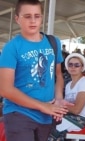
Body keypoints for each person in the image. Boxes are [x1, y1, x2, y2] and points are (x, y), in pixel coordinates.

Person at [0, 0, 72, 141]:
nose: (33, 21)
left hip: (46, 117)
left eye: (37, 16)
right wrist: (42, 106)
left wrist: (58, 99)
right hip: (19, 114)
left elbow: (58, 75)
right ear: (17, 19)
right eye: (27, 16)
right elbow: (5, 89)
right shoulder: (11, 48)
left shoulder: (53, 42)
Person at [48, 53, 85, 140]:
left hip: (80, 120)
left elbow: (77, 110)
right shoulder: (69, 84)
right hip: (68, 117)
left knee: (49, 128)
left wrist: (59, 105)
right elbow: (66, 106)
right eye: (70, 65)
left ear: (82, 67)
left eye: (77, 65)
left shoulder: (84, 83)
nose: (73, 67)